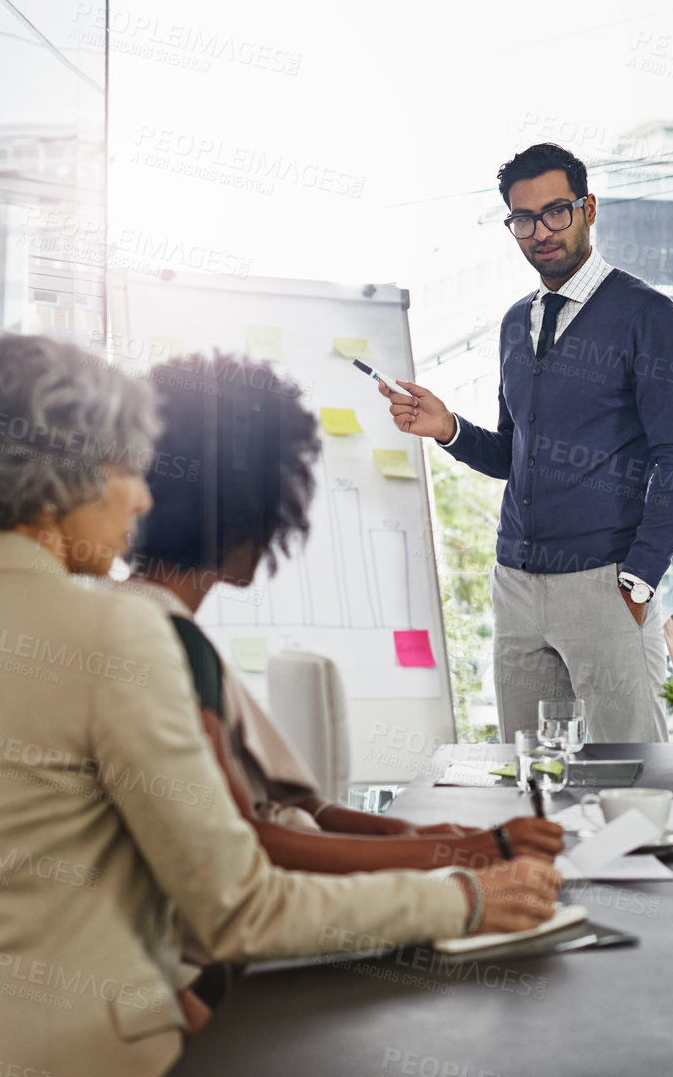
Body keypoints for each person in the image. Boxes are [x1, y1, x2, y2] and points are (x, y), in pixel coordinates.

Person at [0, 334, 559, 1077]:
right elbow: (242, 905)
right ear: (68, 475)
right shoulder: (111, 635)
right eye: (127, 471)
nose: (141, 501)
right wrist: (466, 896)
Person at [123, 351, 564, 873]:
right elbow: (252, 844)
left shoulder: (145, 617)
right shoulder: (163, 642)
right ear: (256, 509)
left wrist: (414, 836)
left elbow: (294, 813)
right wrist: (468, 853)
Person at [380, 142, 673, 743]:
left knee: (631, 775)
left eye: (555, 212)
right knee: (528, 772)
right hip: (517, 584)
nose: (540, 232)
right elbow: (515, 454)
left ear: (587, 209)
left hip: (607, 585)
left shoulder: (647, 315)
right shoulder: (515, 322)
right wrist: (448, 427)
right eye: (523, 219)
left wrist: (640, 577)